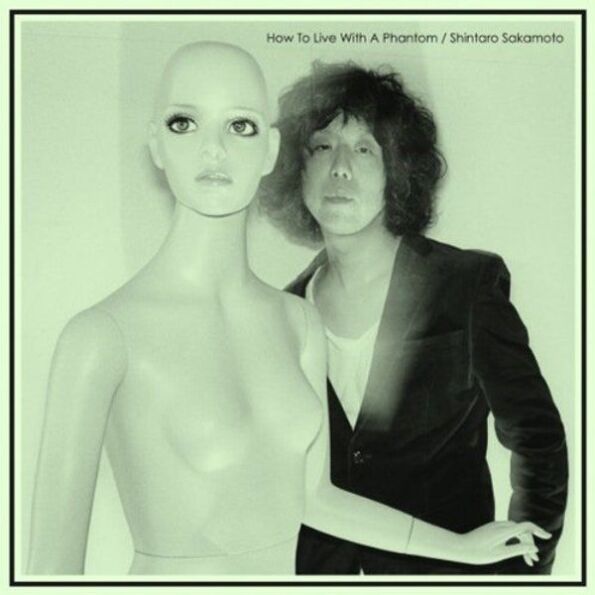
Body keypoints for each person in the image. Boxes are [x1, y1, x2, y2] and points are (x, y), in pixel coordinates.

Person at [27, 43, 548, 576]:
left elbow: (314, 499)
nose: (214, 150)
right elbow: (49, 572)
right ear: (156, 143)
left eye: (240, 126)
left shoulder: (298, 321)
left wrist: (460, 548)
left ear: (270, 150)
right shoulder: (102, 336)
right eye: (184, 123)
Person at [259, 61, 568, 575]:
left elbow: (538, 440)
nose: (340, 168)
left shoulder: (465, 285)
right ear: (296, 167)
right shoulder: (280, 313)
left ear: (397, 170)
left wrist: (521, 575)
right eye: (322, 146)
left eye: (364, 149)